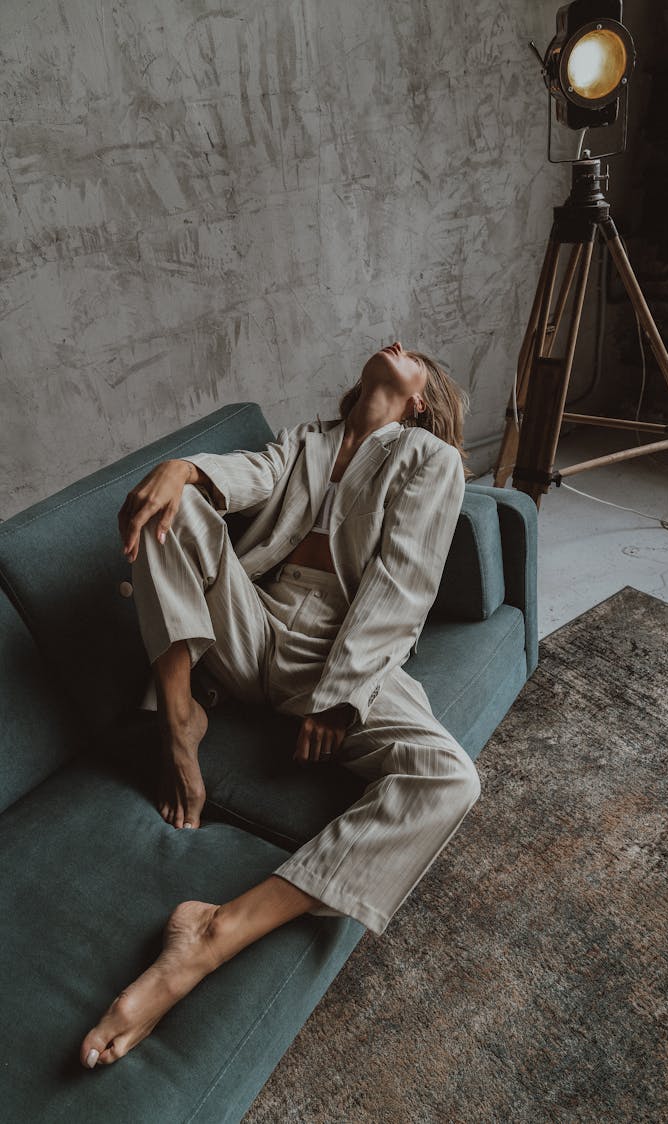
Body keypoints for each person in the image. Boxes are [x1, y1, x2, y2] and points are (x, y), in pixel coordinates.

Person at [80, 341, 481, 1069]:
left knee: (449, 779)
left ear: (422, 398)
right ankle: (178, 727)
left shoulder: (427, 456)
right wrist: (185, 469)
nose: (397, 343)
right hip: (255, 624)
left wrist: (340, 697)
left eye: (414, 353)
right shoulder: (309, 442)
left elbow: (402, 581)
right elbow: (244, 475)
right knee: (176, 509)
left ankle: (211, 936)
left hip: (342, 646)